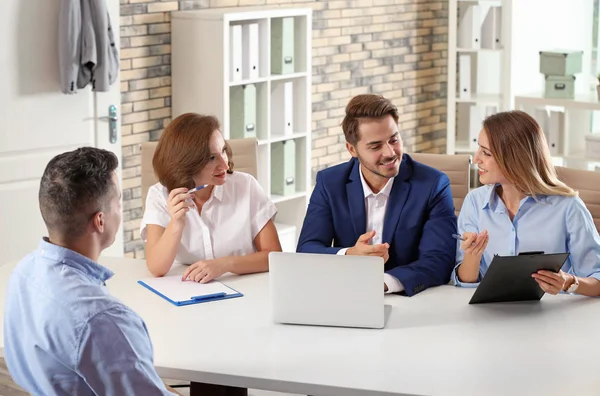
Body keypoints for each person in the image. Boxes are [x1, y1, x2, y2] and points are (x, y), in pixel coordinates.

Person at [4, 147, 176, 395]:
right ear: (100, 220)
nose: (121, 208)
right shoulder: (103, 320)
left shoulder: (22, 273)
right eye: (118, 202)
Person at [296, 94, 457, 296]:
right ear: (352, 149)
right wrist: (349, 254)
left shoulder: (433, 184)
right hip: (345, 294)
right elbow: (306, 249)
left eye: (394, 140)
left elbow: (439, 259)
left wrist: (382, 283)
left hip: (411, 298)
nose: (390, 152)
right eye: (375, 146)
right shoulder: (330, 183)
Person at [453, 110, 600, 296]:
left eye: (486, 153)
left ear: (514, 159)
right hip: (491, 316)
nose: (476, 159)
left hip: (553, 317)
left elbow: (597, 278)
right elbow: (465, 284)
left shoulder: (568, 207)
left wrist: (569, 282)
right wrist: (472, 257)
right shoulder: (475, 202)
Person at [141, 112, 281, 282]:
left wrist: (224, 265)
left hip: (244, 290)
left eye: (223, 151)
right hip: (187, 292)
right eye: (211, 158)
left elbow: (274, 257)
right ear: (186, 163)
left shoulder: (246, 186)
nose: (224, 164)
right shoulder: (160, 195)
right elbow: (157, 268)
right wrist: (176, 223)